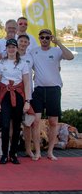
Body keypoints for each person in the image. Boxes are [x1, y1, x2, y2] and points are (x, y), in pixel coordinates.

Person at [30, 29, 74, 161]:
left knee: (53, 122)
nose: (44, 39)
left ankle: (50, 152)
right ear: (39, 38)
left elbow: (71, 57)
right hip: (38, 90)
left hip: (53, 90)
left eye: (47, 37)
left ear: (50, 38)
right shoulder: (34, 51)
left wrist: (59, 42)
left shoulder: (56, 51)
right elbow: (27, 64)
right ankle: (38, 152)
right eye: (42, 37)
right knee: (35, 121)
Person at [0, 39, 31, 164]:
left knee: (16, 126)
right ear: (6, 49)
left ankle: (14, 153)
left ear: (16, 49)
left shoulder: (23, 63)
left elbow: (26, 83)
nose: (11, 49)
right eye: (9, 47)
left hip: (18, 95)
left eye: (13, 47)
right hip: (5, 96)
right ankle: (4, 154)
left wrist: (27, 101)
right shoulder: (1, 63)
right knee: (4, 126)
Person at [16, 34, 35, 159]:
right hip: (14, 94)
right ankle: (13, 149)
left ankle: (28, 149)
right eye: (21, 41)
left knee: (27, 124)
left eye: (25, 42)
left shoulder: (30, 57)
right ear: (17, 42)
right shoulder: (11, 56)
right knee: (14, 123)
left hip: (28, 94)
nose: (23, 43)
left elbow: (39, 69)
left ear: (28, 44)